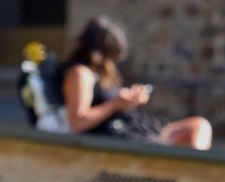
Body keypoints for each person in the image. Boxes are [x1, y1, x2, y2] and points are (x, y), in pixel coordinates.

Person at [61, 16, 212, 150]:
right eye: (111, 56)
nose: (112, 63)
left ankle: (196, 166)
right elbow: (78, 121)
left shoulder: (98, 74)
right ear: (100, 53)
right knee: (192, 136)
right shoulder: (80, 74)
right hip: (122, 139)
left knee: (199, 126)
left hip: (137, 130)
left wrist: (128, 99)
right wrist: (115, 104)